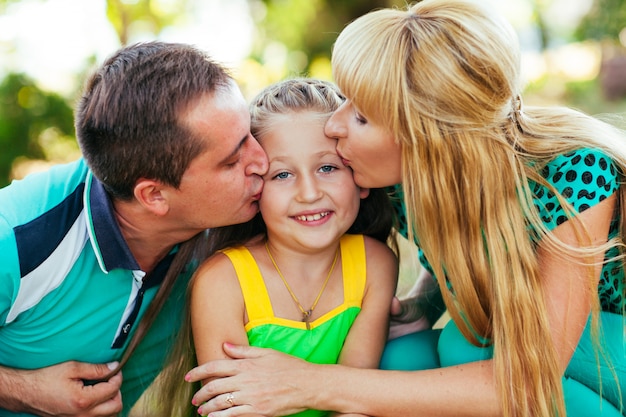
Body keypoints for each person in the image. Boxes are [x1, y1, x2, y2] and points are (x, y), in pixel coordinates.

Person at [185, 1, 626, 416]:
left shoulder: (575, 173)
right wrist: (425, 300)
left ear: (426, 137)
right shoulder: (401, 184)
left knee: (462, 343)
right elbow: (479, 241)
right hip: (521, 349)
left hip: (606, 349)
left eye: (360, 117)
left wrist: (311, 383)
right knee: (406, 353)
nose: (335, 125)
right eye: (344, 102)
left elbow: (529, 383)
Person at [0, 41, 268, 417]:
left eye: (251, 134)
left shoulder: (231, 225)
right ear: (154, 195)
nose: (262, 161)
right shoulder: (17, 238)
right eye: (231, 159)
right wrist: (22, 391)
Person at [147, 78, 398, 417]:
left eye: (327, 168)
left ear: (359, 177)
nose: (308, 193)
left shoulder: (376, 264)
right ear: (254, 189)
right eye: (281, 175)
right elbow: (230, 406)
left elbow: (354, 398)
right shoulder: (223, 281)